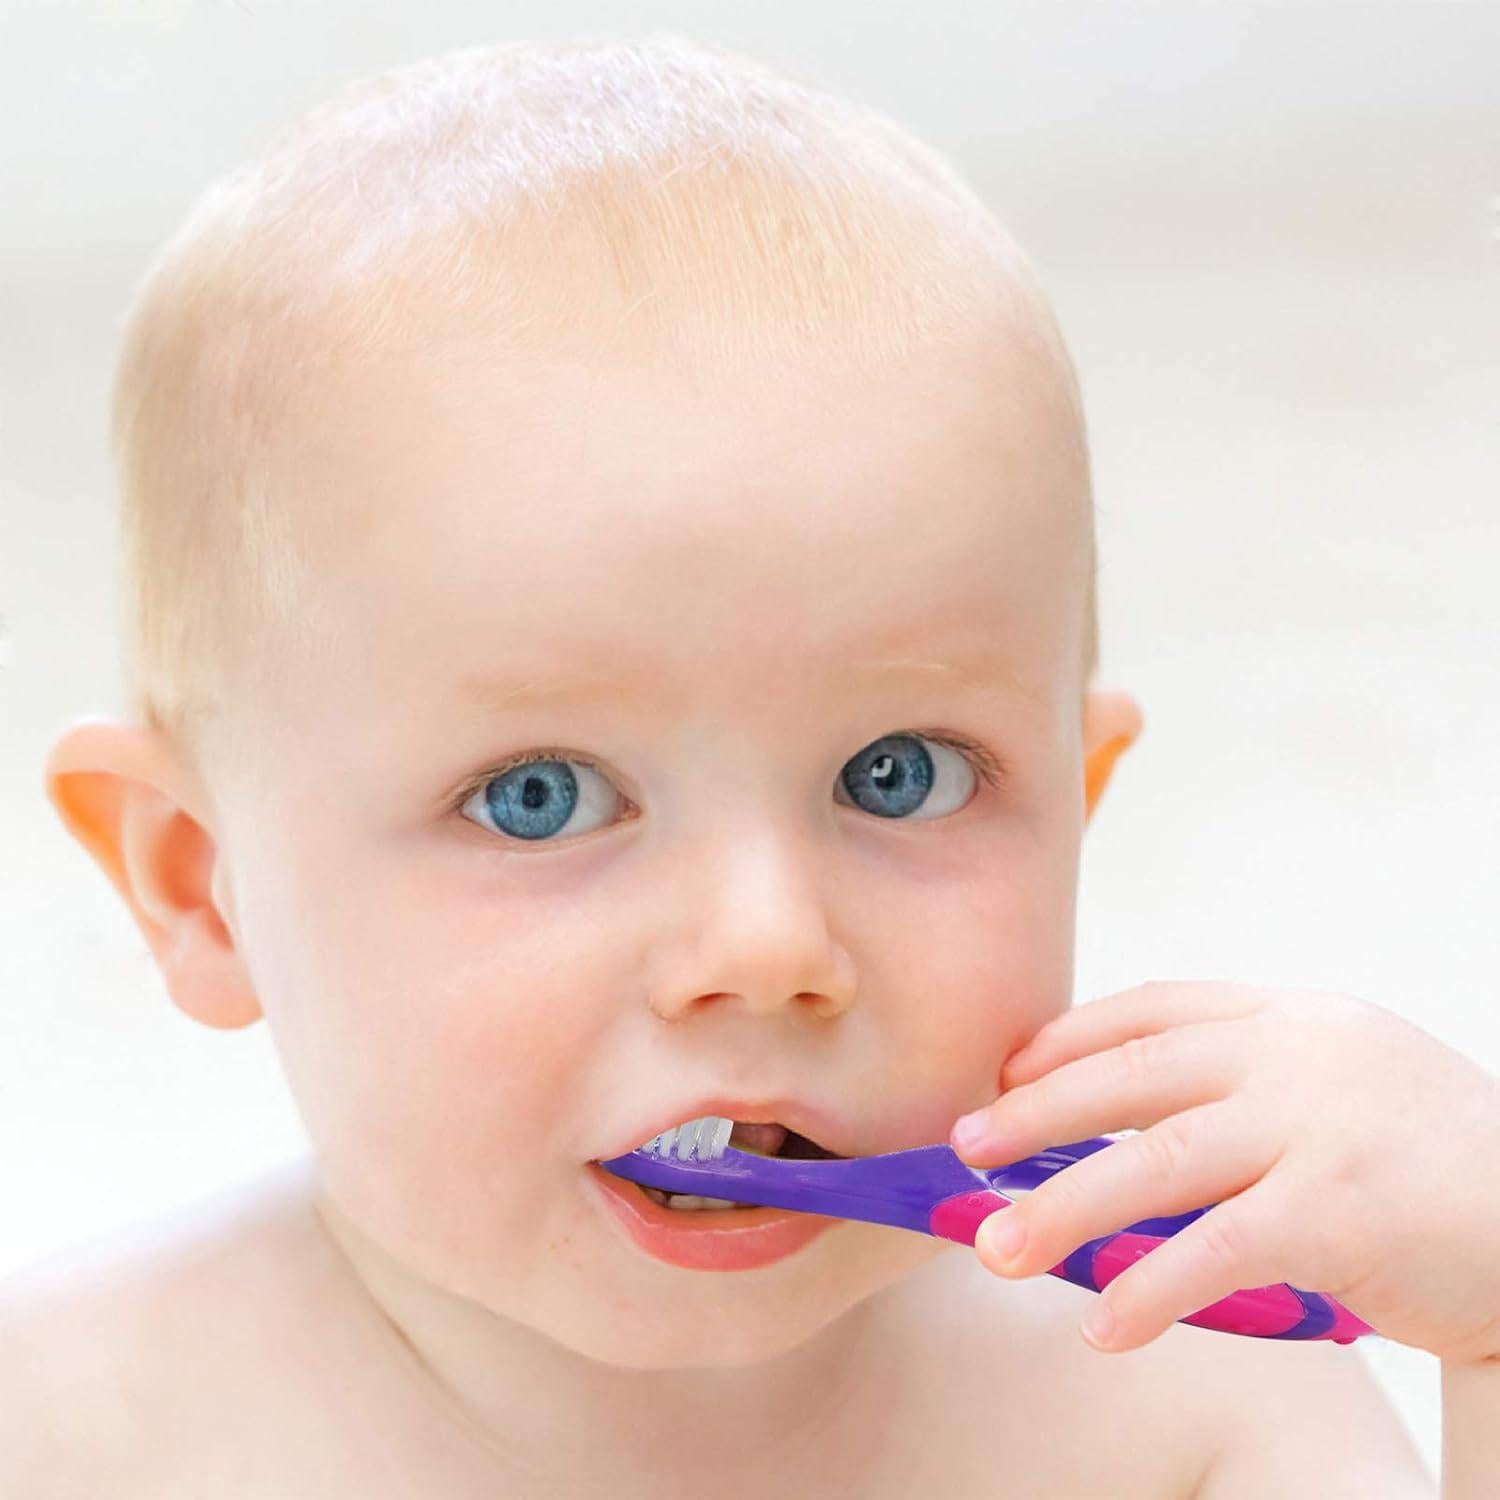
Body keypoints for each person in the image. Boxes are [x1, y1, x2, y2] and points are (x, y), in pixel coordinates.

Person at [6, 33, 1493, 1498]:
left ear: (1076, 804)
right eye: (543, 797)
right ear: (199, 886)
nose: (770, 944)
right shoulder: (66, 1431)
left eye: (900, 774)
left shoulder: (1183, 1376)